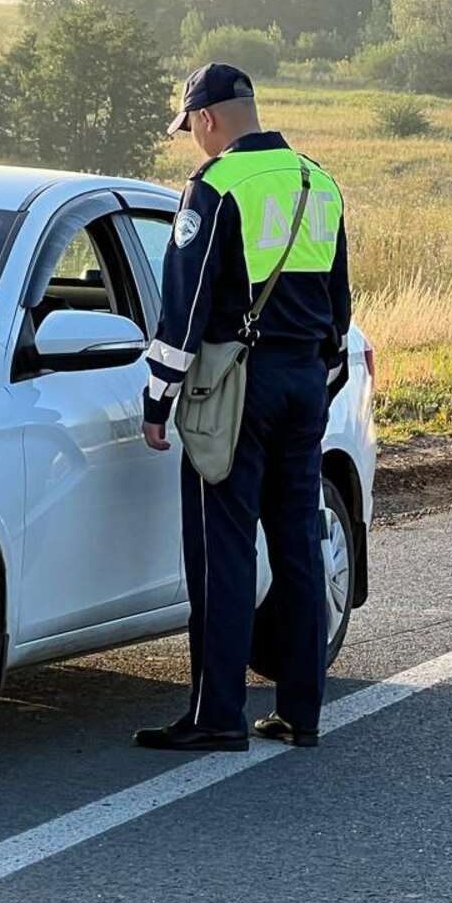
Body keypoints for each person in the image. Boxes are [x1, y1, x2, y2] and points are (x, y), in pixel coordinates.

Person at [133, 63, 351, 751]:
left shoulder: (215, 186)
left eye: (190, 128)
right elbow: (340, 309)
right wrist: (318, 381)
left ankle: (216, 717)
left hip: (238, 389)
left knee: (221, 550)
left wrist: (156, 401)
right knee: (297, 546)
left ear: (206, 118)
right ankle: (302, 712)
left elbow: (184, 310)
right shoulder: (320, 181)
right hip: (305, 382)